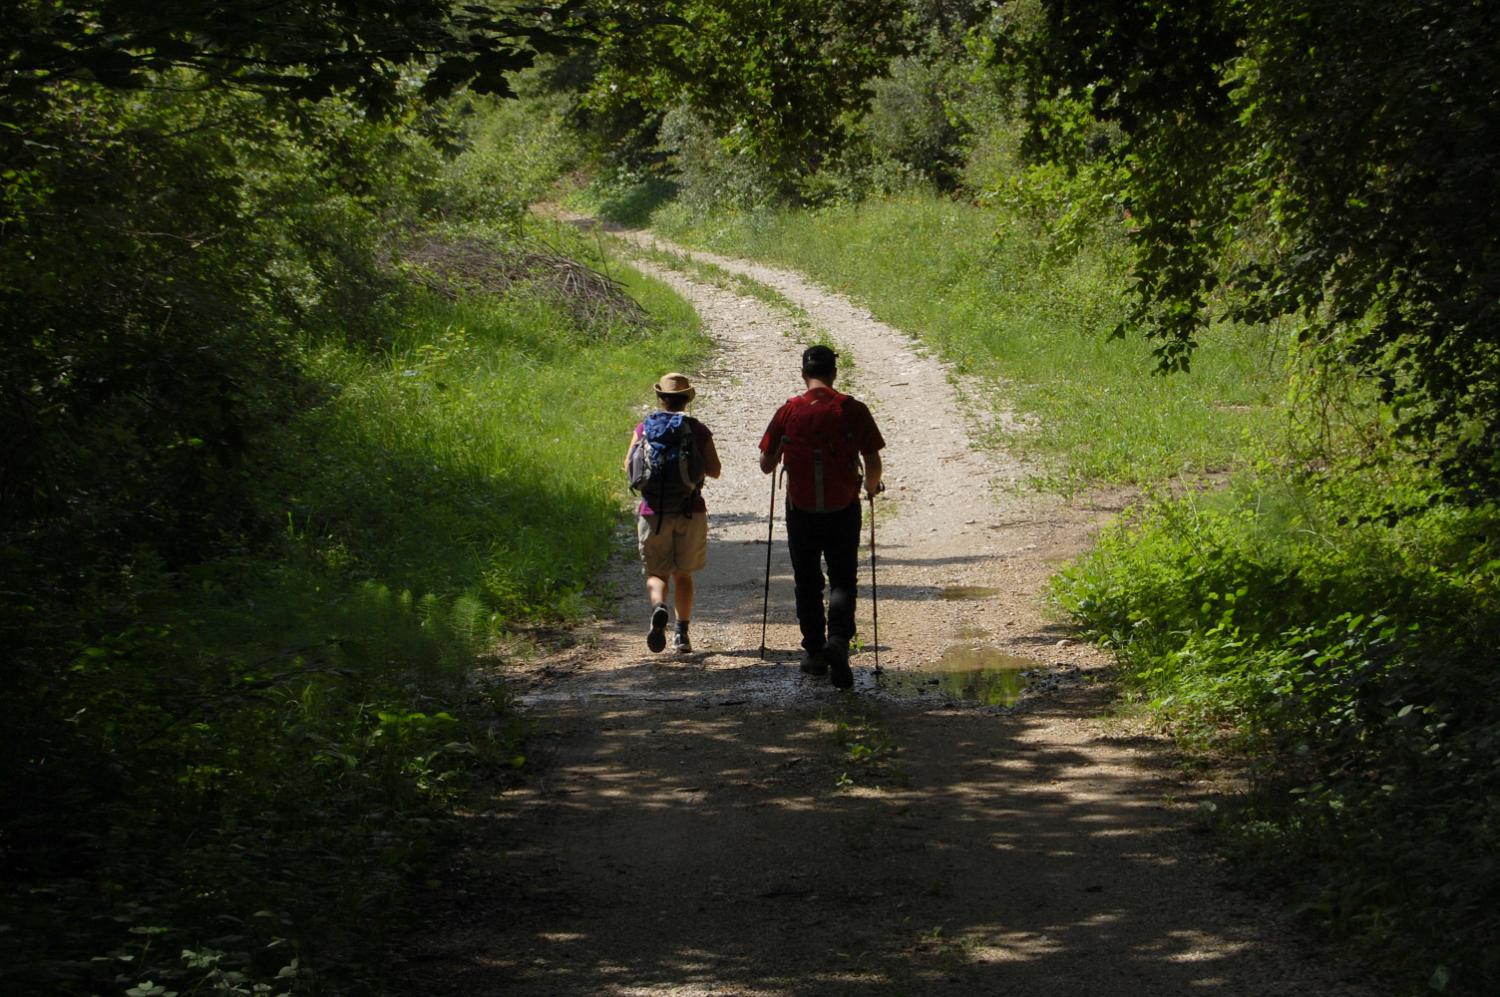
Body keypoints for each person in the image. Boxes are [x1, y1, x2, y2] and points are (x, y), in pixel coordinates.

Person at [759, 345, 885, 688]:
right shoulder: (852, 409)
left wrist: (784, 452)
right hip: (844, 507)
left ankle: (814, 652)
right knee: (843, 577)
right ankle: (839, 642)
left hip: (801, 510)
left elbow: (766, 464)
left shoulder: (789, 411)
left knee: (808, 579)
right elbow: (872, 461)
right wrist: (871, 489)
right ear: (834, 374)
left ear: (804, 374)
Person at [625, 373, 721, 655]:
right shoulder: (697, 430)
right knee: (683, 574)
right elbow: (715, 469)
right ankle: (681, 634)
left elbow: (628, 465)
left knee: (656, 573)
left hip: (652, 512)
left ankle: (658, 607)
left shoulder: (643, 428)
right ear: (686, 400)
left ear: (660, 398)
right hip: (690, 510)